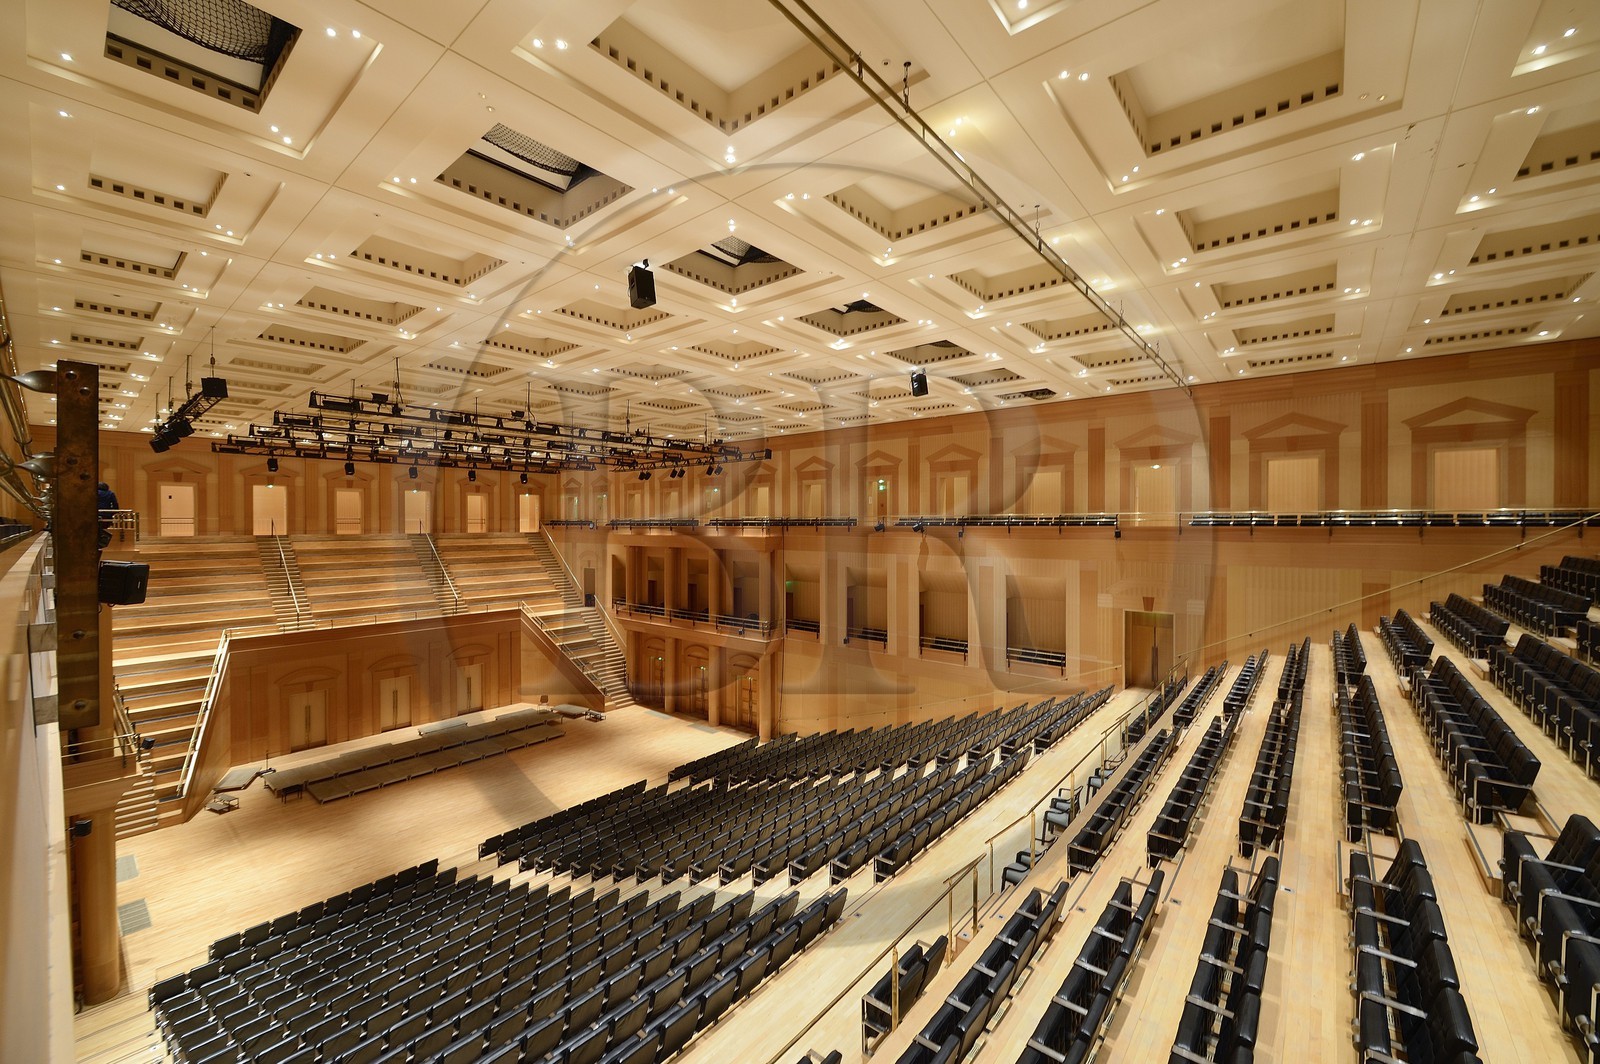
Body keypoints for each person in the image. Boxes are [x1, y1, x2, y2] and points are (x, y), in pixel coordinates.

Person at [96, 481, 118, 549]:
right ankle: (102, 543)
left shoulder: (95, 492)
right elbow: (115, 505)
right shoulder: (110, 493)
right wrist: (111, 513)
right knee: (104, 529)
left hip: (95, 515)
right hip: (106, 515)